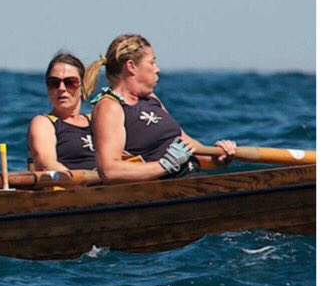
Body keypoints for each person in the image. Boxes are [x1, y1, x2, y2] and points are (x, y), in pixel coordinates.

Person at [83, 34, 237, 183]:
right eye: (152, 63)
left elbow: (187, 144)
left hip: (194, 178)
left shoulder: (151, 99)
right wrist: (164, 165)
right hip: (167, 187)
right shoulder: (110, 107)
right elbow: (110, 171)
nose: (157, 69)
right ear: (131, 66)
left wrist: (216, 158)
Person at [27, 52, 96, 176]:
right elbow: (46, 164)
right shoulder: (43, 123)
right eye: (54, 83)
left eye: (70, 82)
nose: (61, 88)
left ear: (83, 86)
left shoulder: (97, 120)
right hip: (71, 190)